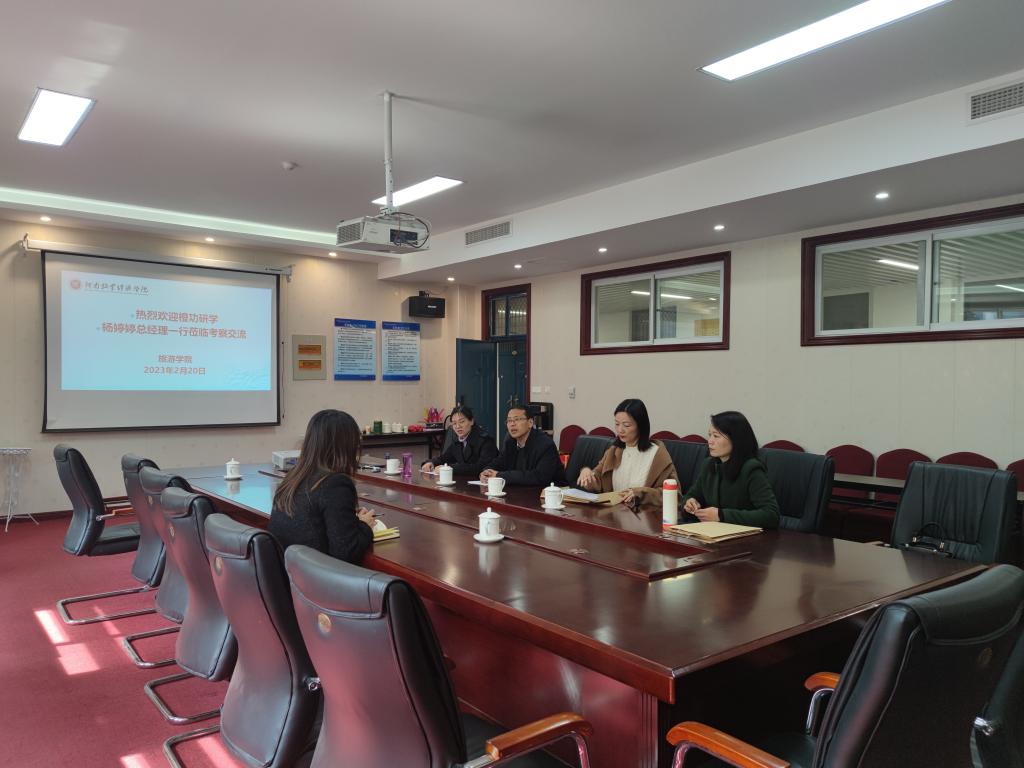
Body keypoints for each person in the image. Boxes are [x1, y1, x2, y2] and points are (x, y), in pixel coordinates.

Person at [268, 409, 376, 562]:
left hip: (289, 571)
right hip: (315, 574)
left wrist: (349, 520)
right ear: (347, 446)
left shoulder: (293, 477)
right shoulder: (336, 484)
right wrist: (364, 525)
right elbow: (346, 552)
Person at [575, 398, 678, 513]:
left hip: (644, 516)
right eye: (617, 424)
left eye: (626, 425)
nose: (620, 430)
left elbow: (674, 494)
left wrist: (641, 494)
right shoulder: (614, 451)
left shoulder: (658, 454)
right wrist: (587, 473)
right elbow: (597, 480)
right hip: (613, 515)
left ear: (640, 426)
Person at [681, 411, 779, 528]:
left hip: (744, 537)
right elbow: (691, 495)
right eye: (709, 435)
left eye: (716, 436)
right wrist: (690, 503)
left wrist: (721, 515)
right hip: (713, 533)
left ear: (736, 439)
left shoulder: (751, 469)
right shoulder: (709, 465)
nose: (710, 441)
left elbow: (771, 515)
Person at [480, 405, 566, 487]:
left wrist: (499, 475)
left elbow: (539, 477)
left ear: (530, 423)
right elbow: (500, 462)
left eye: (517, 419)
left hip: (551, 492)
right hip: (520, 490)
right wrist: (486, 472)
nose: (512, 424)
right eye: (509, 421)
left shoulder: (545, 444)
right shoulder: (510, 441)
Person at [421, 404, 498, 475]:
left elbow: (480, 467)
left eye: (462, 422)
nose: (458, 426)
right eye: (454, 423)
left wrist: (449, 469)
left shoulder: (485, 441)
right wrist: (431, 463)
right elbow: (444, 458)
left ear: (471, 421)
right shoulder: (458, 441)